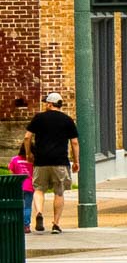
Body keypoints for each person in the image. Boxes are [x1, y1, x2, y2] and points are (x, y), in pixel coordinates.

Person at [23, 93, 79, 234]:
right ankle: (55, 224)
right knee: (59, 192)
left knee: (39, 189)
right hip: (60, 161)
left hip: (41, 161)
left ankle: (39, 213)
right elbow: (74, 142)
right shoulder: (67, 120)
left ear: (49, 104)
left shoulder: (39, 118)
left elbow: (27, 137)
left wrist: (29, 153)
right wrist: (76, 160)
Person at [8, 144, 33, 232]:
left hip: (18, 186)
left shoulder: (14, 159)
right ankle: (26, 225)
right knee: (27, 207)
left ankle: (18, 223)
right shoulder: (32, 160)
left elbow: (11, 173)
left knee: (19, 206)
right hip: (30, 186)